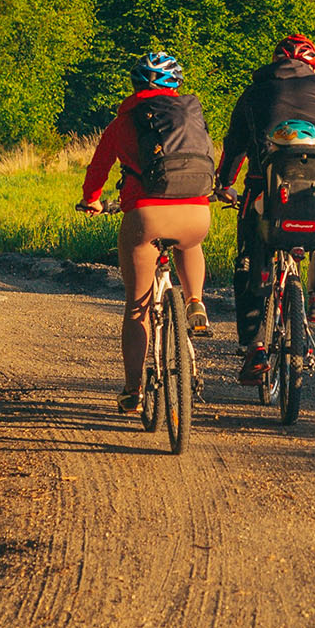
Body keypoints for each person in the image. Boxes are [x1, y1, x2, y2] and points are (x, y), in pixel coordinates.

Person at [78, 50, 215, 415]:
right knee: (190, 243)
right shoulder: (190, 118)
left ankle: (133, 389)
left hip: (146, 215)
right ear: (176, 85)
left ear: (136, 85)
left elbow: (99, 169)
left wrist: (92, 200)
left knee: (137, 307)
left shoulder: (122, 122)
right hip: (196, 212)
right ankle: (195, 301)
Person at [216, 34, 315, 379]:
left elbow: (235, 146)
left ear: (275, 62)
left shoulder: (253, 91)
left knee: (248, 261)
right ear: (313, 65)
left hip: (264, 189)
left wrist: (224, 184)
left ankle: (254, 346)